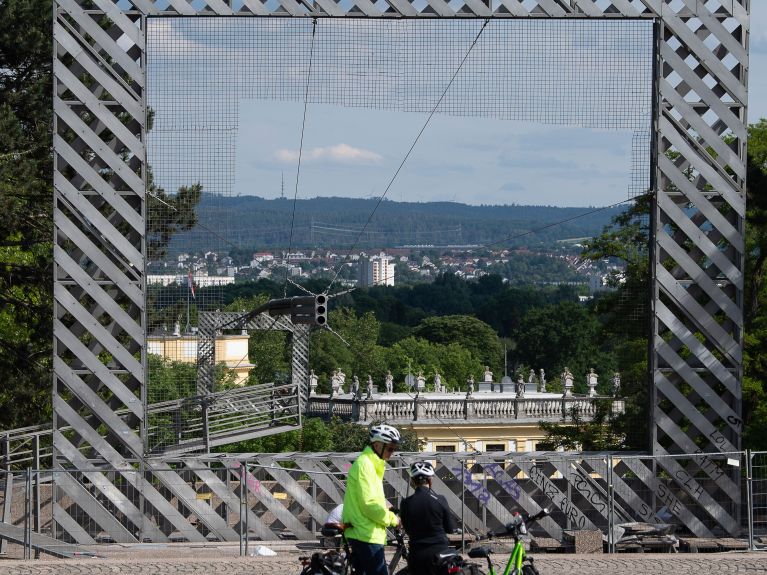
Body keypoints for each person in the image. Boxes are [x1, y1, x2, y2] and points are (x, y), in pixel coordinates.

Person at [342, 424, 401, 575]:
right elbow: (369, 505)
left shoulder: (372, 465)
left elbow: (373, 498)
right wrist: (393, 519)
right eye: (389, 449)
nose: (392, 453)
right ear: (377, 445)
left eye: (394, 449)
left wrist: (390, 509)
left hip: (365, 531)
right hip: (366, 533)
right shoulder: (365, 465)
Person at [400, 461, 457, 575]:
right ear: (430, 480)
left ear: (412, 481)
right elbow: (450, 528)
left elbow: (407, 529)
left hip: (417, 555)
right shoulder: (440, 499)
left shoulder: (405, 503)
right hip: (440, 554)